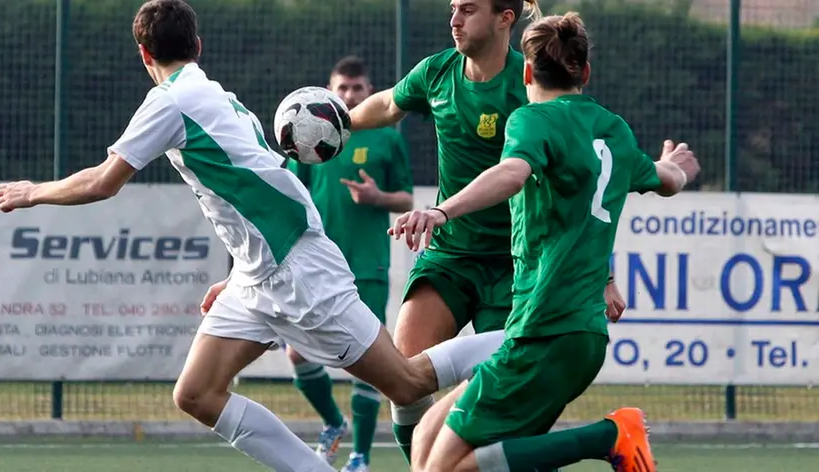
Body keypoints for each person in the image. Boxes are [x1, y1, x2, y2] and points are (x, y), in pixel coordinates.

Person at [0, 1, 510, 471]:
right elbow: (256, 187)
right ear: (198, 47)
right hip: (259, 274)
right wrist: (240, 272)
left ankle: (530, 337)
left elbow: (104, 181)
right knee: (197, 393)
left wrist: (35, 192)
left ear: (143, 53)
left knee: (409, 382)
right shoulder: (214, 93)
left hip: (301, 273)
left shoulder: (171, 100)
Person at [390, 12, 701, 472]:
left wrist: (441, 210)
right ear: (586, 73)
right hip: (558, 333)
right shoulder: (613, 129)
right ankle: (609, 436)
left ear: (528, 71)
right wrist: (674, 165)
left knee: (441, 469)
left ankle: (610, 435)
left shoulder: (531, 120)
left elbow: (512, 173)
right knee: (425, 446)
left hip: (546, 331)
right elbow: (667, 179)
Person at [345, 0, 628, 461]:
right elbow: (388, 103)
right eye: (453, 8)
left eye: (468, 9)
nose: (454, 18)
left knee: (505, 415)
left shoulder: (532, 85)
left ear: (505, 19)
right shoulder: (437, 72)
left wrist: (605, 275)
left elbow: (585, 186)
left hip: (519, 272)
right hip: (451, 257)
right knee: (403, 378)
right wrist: (341, 120)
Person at [285, 56, 414, 471]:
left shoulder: (386, 138)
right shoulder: (309, 136)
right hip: (317, 265)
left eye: (357, 89)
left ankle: (360, 457)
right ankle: (332, 423)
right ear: (329, 90)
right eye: (342, 88)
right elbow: (290, 196)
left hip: (368, 263)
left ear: (368, 91)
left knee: (369, 362)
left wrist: (378, 198)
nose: (349, 95)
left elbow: (407, 199)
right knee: (296, 356)